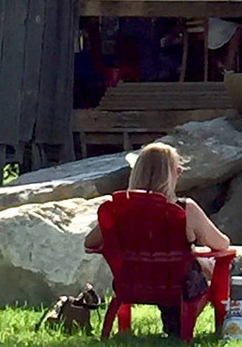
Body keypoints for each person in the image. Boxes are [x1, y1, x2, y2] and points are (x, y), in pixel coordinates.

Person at [85, 143, 230, 337]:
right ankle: (224, 323)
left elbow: (90, 243)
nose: (180, 172)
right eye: (177, 169)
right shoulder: (185, 209)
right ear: (171, 175)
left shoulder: (118, 210)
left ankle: (167, 322)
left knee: (194, 262)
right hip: (179, 286)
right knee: (222, 263)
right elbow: (222, 245)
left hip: (131, 282)